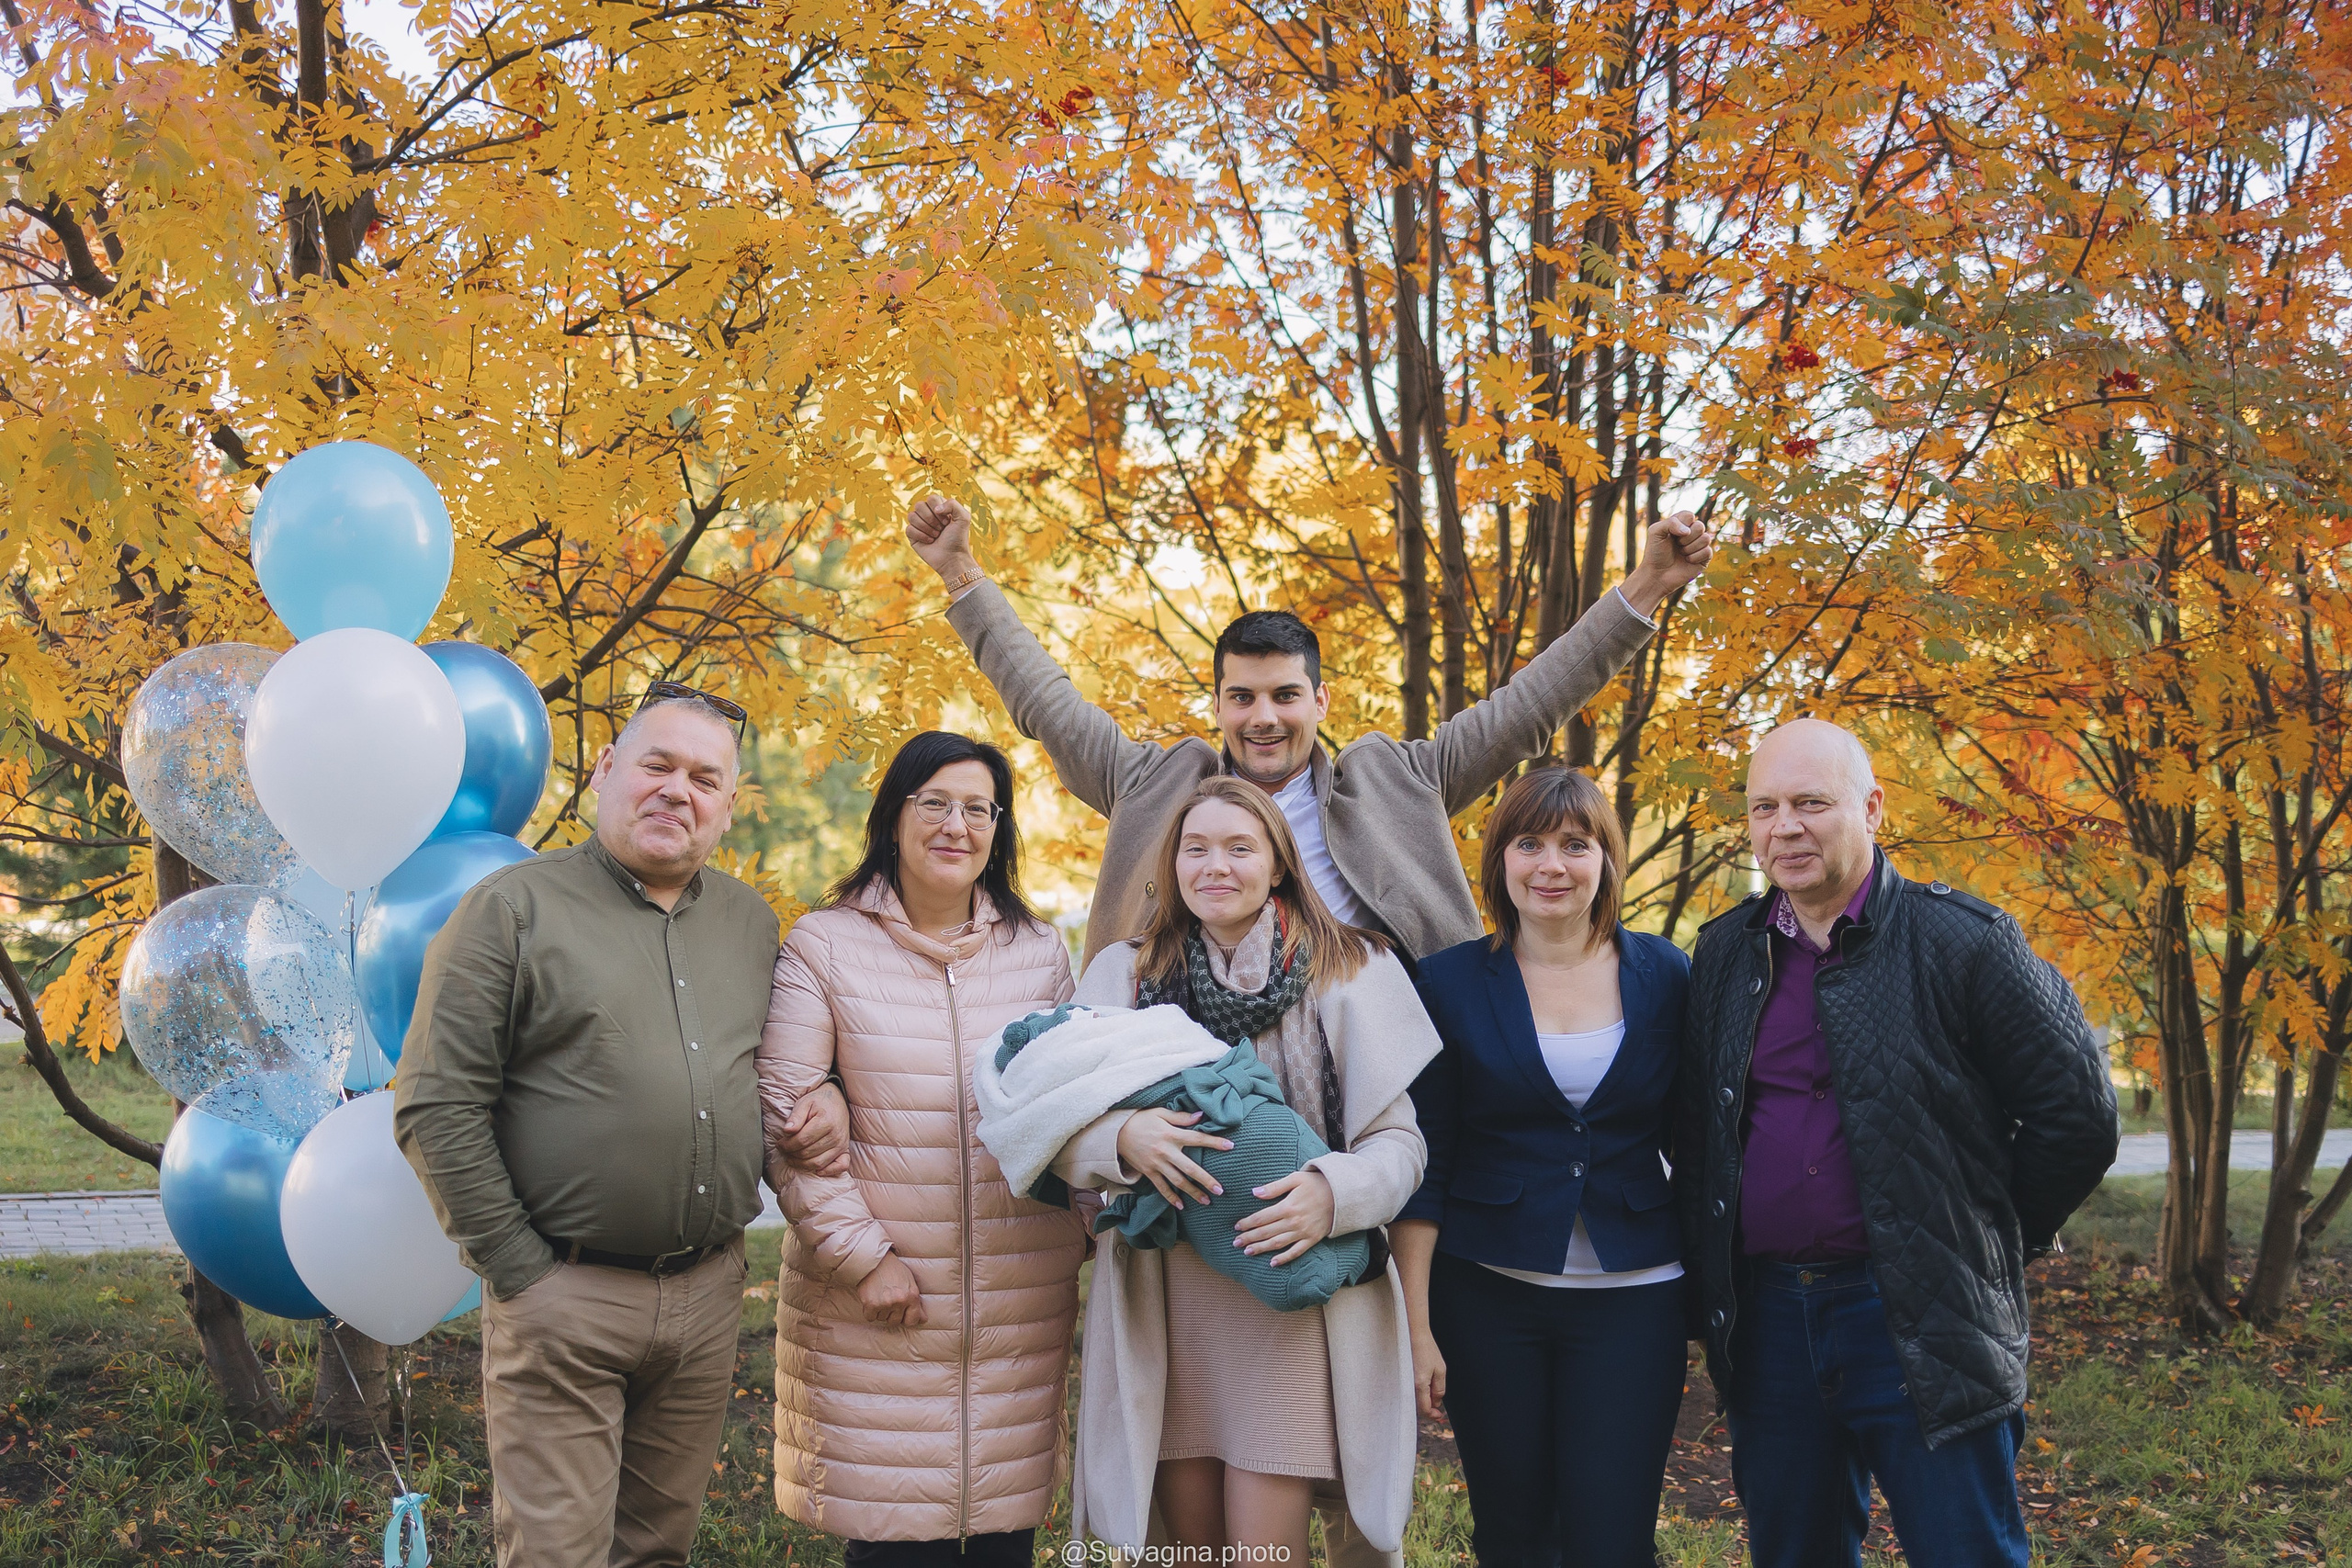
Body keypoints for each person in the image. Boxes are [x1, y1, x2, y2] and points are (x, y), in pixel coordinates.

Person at [901, 493, 1714, 966]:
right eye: (1242, 697)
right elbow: (1045, 698)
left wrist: (1646, 584)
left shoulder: (1397, 779)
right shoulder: (1156, 785)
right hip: (1190, 1073)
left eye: (1285, 696)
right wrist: (960, 571)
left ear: (1321, 704)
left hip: (1378, 1068)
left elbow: (1529, 704)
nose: (1263, 718)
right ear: (1217, 704)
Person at [1676, 718, 2120, 1568]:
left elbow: (2079, 1114)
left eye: (1812, 802)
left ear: (1872, 807)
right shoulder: (1725, 953)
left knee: (1967, 1552)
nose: (1786, 827)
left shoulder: (1965, 941)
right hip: (1769, 1324)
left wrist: (1980, 1238)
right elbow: (1700, 1141)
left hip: (1921, 1316)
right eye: (1765, 807)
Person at [395, 683, 777, 1568]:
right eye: (657, 764)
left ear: (725, 807)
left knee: (656, 1552)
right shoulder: (510, 910)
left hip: (708, 1295)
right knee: (556, 1556)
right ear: (606, 769)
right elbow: (435, 1100)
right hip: (562, 1297)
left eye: (705, 778)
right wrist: (520, 1270)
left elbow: (785, 1074)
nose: (678, 790)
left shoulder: (753, 926)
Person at [1051, 776, 1442, 1566]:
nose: (1215, 865)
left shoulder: (1352, 969)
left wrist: (1332, 1195)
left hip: (1291, 1293)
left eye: (1239, 847)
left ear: (1279, 863)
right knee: (1191, 1553)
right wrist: (1123, 1138)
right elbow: (1052, 1127)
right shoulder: (1121, 977)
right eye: (1196, 847)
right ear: (1172, 864)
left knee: (1267, 1553)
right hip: (1164, 1298)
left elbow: (1402, 1147)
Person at [756, 731, 1087, 1564]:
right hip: (881, 1308)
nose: (956, 823)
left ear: (999, 829)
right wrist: (866, 1260)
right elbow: (787, 1122)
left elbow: (1074, 1102)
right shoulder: (823, 946)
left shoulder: (1040, 952)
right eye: (934, 801)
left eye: (978, 807)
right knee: (899, 1543)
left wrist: (1088, 1221)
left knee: (1005, 1538)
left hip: (1019, 1308)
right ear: (893, 817)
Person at [1393, 768, 1690, 1568]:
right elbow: (1427, 1160)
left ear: (1607, 860)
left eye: (1574, 844)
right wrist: (1417, 1327)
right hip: (1489, 1296)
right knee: (1513, 1535)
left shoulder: (1667, 974)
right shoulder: (1449, 981)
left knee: (1613, 1538)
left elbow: (1701, 1143)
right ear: (1500, 859)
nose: (1550, 864)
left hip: (1637, 1300)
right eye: (1529, 843)